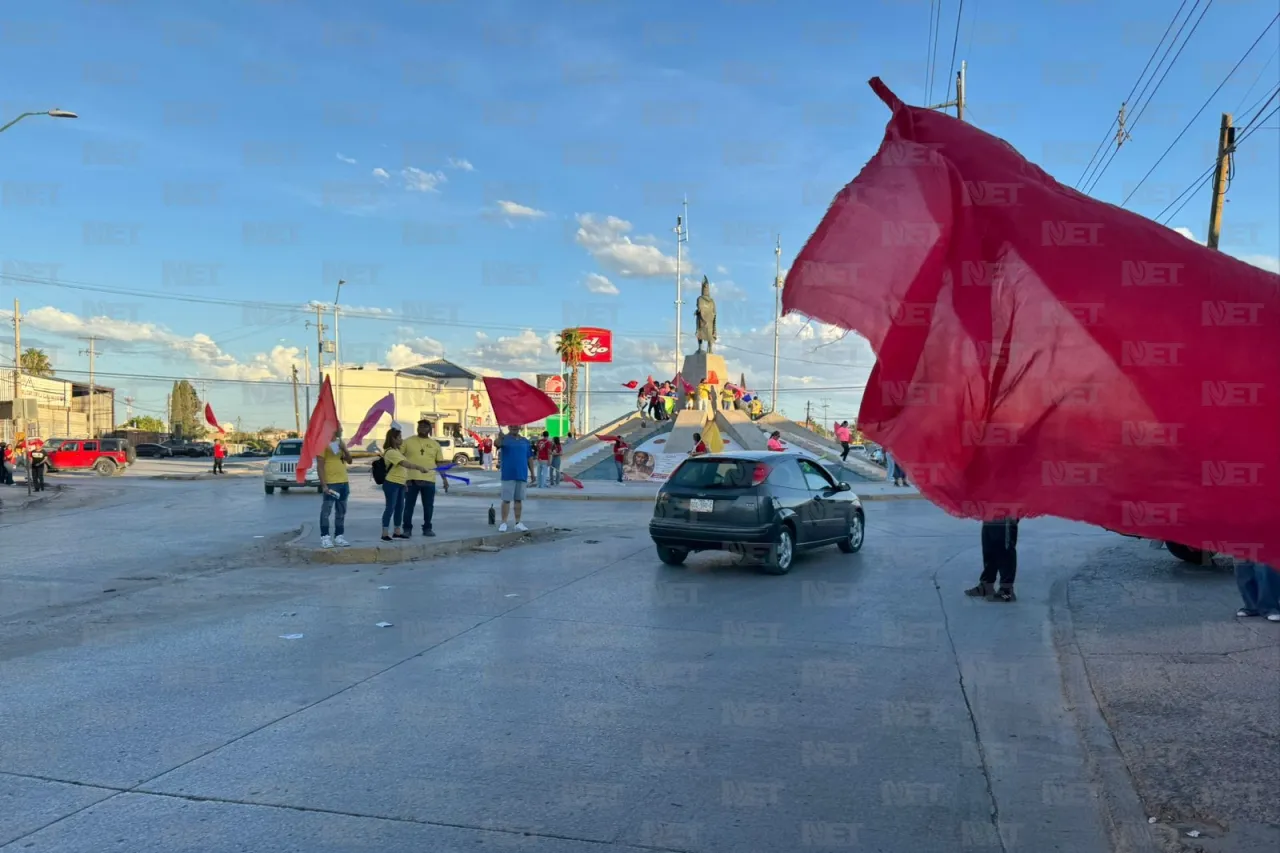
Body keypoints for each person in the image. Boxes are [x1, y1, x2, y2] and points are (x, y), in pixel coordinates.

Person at [379, 426, 432, 541]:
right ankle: (384, 533)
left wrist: (404, 483)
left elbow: (402, 470)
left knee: (399, 508)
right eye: (399, 437)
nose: (401, 440)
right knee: (390, 507)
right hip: (391, 483)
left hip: (400, 484)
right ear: (393, 439)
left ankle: (397, 532)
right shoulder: (391, 452)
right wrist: (419, 468)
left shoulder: (397, 451)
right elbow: (404, 464)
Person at [402, 418, 447, 538]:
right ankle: (407, 529)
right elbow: (399, 459)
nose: (421, 428)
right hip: (411, 479)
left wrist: (444, 479)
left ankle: (427, 528)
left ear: (429, 429)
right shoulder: (407, 442)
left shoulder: (435, 445)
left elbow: (440, 463)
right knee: (408, 506)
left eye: (424, 426)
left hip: (429, 480)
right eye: (420, 426)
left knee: (428, 506)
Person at [967, 517, 1020, 602]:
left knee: (1004, 547)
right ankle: (986, 585)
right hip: (990, 509)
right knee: (989, 545)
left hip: (1007, 510)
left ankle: (1006, 591)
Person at [317, 426, 353, 549]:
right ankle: (325, 537)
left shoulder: (340, 442)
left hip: (343, 482)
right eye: (339, 427)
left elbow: (349, 461)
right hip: (331, 483)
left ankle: (339, 536)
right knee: (326, 510)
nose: (341, 429)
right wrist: (324, 485)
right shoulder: (323, 444)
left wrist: (345, 450)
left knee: (341, 511)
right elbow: (320, 466)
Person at [494, 425, 531, 533]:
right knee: (506, 500)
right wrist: (500, 437)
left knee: (518, 500)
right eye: (512, 426)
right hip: (508, 474)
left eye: (516, 426)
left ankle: (518, 522)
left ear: (520, 427)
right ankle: (503, 523)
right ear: (509, 427)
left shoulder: (525, 441)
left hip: (522, 474)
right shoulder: (504, 439)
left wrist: (532, 473)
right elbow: (497, 444)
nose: (514, 427)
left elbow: (529, 457)